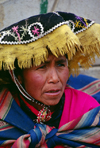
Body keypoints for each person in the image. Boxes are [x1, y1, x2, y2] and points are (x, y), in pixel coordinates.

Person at [0, 11, 100, 148]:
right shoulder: (3, 113)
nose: (55, 78)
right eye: (42, 67)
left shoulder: (86, 109)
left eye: (60, 64)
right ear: (18, 77)